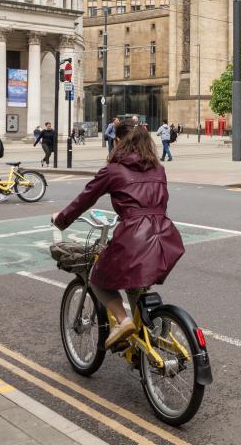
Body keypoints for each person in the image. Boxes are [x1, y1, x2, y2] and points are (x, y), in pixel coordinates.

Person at [51, 124, 185, 349]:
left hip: (134, 234)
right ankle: (143, 338)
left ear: (120, 142)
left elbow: (84, 199)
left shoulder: (113, 170)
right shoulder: (158, 168)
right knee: (136, 284)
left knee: (97, 279)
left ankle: (123, 322)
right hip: (165, 235)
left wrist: (61, 219)